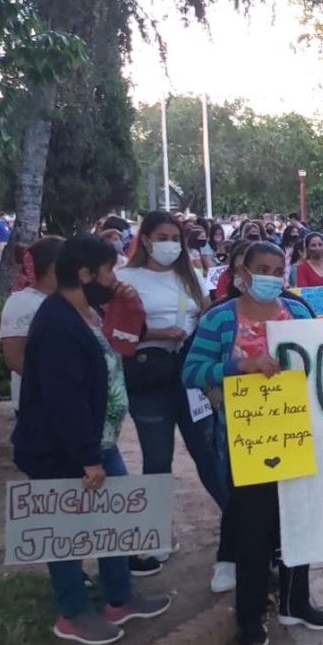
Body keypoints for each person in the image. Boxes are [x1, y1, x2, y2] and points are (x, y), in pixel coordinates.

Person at [13, 235, 171, 645]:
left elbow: (127, 340)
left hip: (98, 441)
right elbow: (63, 399)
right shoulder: (57, 325)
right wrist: (87, 458)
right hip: (63, 450)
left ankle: (119, 597)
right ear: (84, 274)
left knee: (114, 521)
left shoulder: (90, 312)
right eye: (108, 271)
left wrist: (127, 300)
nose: (113, 276)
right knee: (66, 532)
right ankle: (73, 613)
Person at [182, 242, 323, 645]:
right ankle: (249, 618)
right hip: (244, 441)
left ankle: (294, 602)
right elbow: (192, 372)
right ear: (244, 273)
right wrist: (237, 367)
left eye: (276, 268)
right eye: (261, 268)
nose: (269, 275)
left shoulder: (299, 312)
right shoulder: (218, 319)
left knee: (298, 524)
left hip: (297, 434)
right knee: (252, 532)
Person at [118, 211, 225, 579]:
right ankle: (155, 535)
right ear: (145, 239)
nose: (170, 244)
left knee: (209, 453)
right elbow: (117, 328)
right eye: (162, 236)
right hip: (150, 379)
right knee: (157, 458)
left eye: (174, 237)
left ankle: (237, 523)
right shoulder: (124, 278)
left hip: (192, 379)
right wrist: (156, 333)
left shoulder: (191, 276)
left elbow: (208, 319)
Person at [0, 237, 66, 410]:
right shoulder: (22, 302)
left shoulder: (66, 299)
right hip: (37, 400)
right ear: (54, 267)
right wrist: (53, 385)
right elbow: (15, 358)